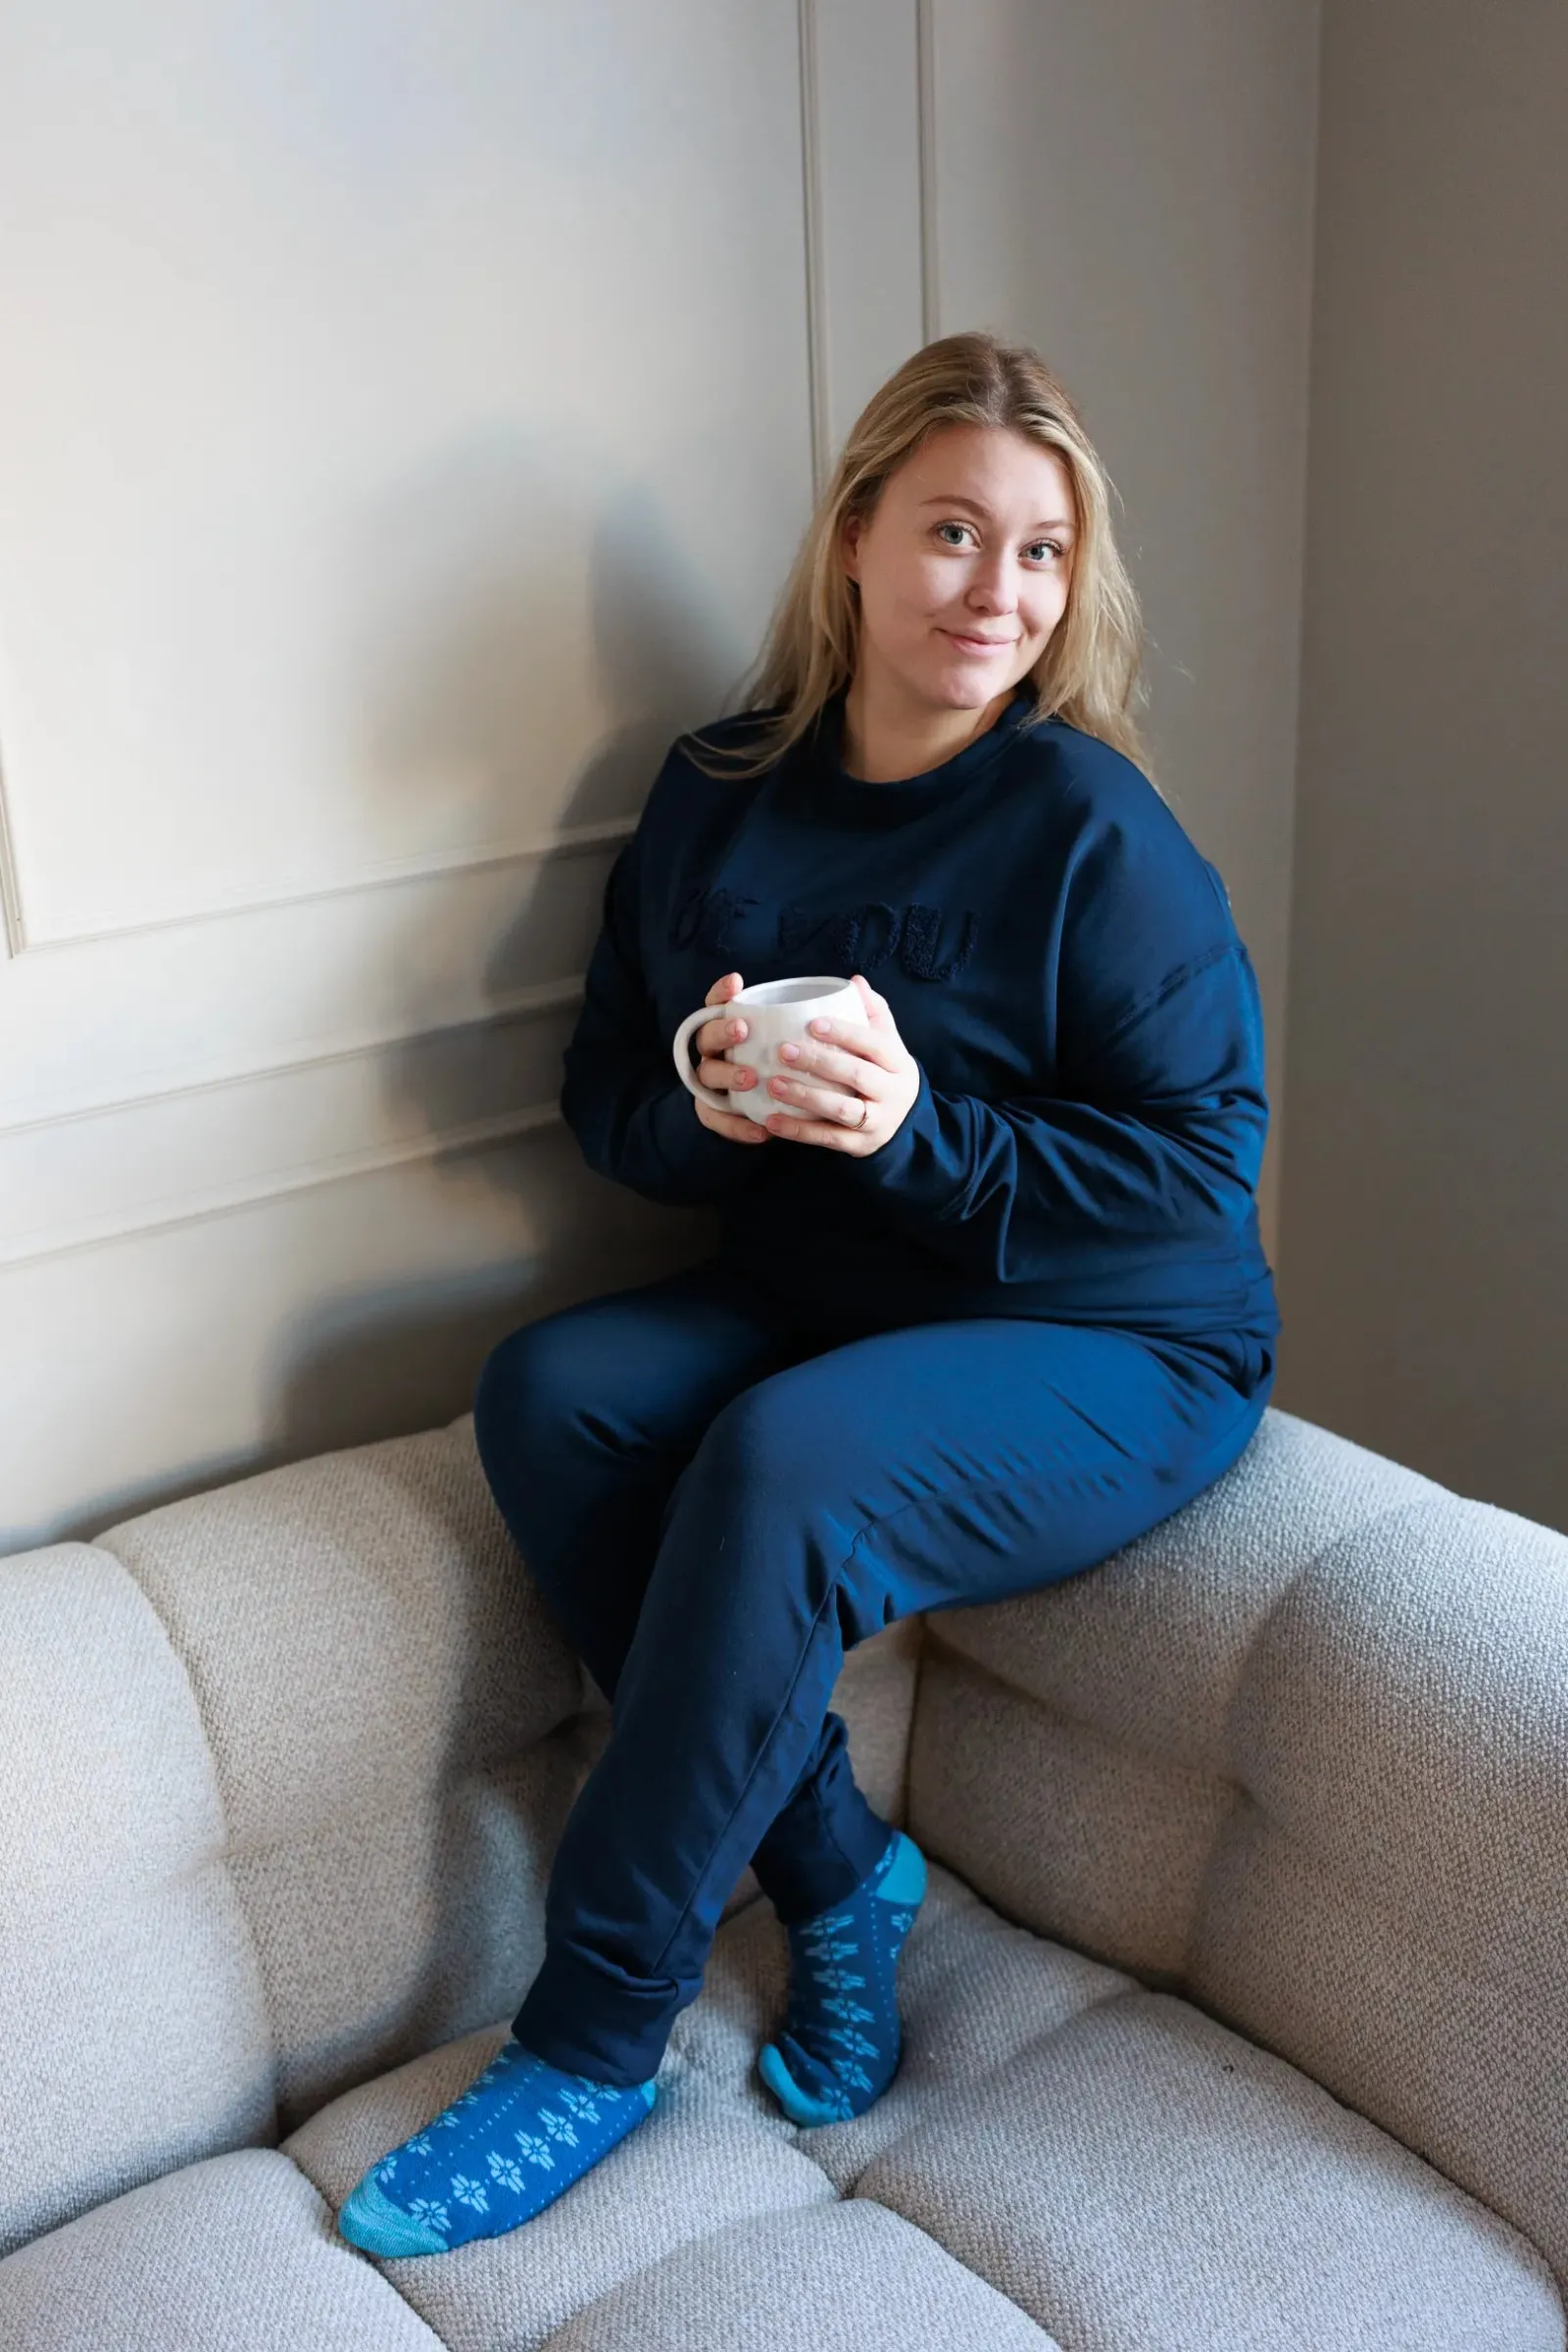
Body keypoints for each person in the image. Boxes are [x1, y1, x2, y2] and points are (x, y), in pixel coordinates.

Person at [337, 329, 1281, 2257]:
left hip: (1120, 1332)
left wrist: (920, 1130)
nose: (996, 592)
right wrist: (699, 1093)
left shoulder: (1091, 834)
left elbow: (1196, 1182)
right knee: (551, 1392)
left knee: (784, 1461)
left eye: (1040, 553)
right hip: (833, 1287)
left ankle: (595, 2035)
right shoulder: (717, 793)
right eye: (952, 531)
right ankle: (840, 1866)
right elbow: (605, 1095)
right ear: (853, 535)